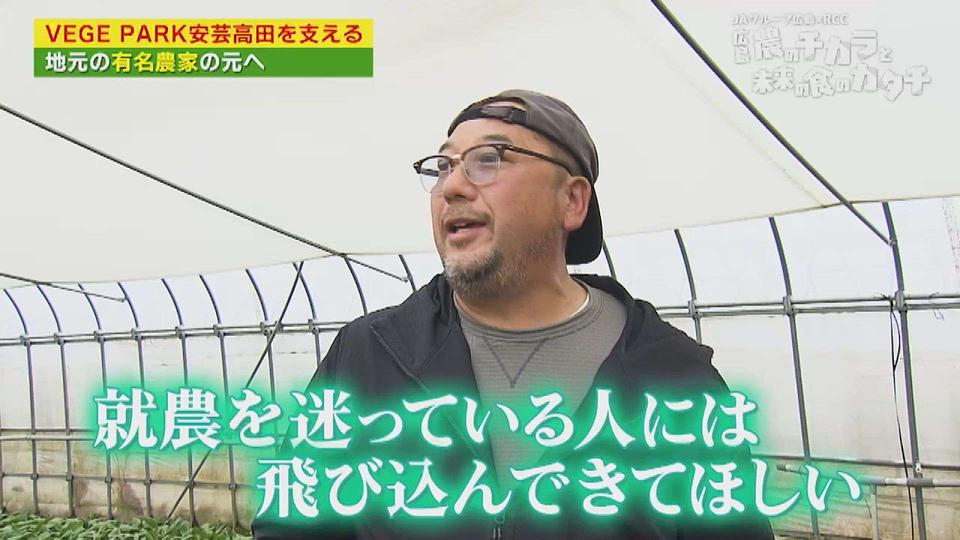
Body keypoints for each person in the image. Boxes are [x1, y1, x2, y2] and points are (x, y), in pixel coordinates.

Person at [252, 89, 774, 539]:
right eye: (443, 167)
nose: (452, 187)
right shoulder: (369, 355)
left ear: (572, 201)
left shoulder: (676, 378)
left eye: (489, 159)